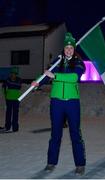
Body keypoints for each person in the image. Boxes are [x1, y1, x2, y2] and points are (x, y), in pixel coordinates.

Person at [32, 32, 86, 175]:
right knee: (55, 134)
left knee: (75, 133)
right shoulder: (58, 62)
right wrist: (37, 82)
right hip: (56, 103)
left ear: (74, 49)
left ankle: (80, 164)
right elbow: (46, 75)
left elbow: (74, 77)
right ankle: (51, 162)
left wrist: (55, 76)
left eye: (71, 48)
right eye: (66, 47)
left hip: (72, 103)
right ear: (63, 48)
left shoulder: (79, 63)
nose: (68, 50)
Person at [1, 67, 22, 132]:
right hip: (9, 99)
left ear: (16, 74)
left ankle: (15, 128)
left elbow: (18, 86)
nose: (13, 75)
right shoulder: (7, 80)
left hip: (16, 99)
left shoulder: (19, 80)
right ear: (11, 74)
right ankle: (7, 127)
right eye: (12, 73)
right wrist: (5, 94)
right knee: (8, 113)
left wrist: (10, 85)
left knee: (15, 113)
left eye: (15, 73)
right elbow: (3, 87)